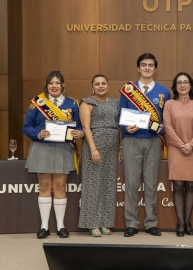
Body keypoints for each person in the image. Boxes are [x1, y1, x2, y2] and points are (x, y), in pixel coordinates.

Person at [23, 70, 84, 239]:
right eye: (51, 83)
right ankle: (43, 227)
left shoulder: (73, 104)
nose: (54, 86)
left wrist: (80, 134)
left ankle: (60, 226)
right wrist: (38, 133)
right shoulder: (37, 103)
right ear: (47, 86)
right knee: (44, 187)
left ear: (63, 85)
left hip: (63, 149)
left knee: (59, 187)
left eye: (57, 83)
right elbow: (26, 127)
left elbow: (79, 127)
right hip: (42, 148)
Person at [119, 53, 171, 237]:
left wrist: (163, 128)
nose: (147, 68)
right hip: (132, 140)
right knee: (132, 183)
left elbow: (167, 119)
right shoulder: (128, 90)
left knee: (151, 183)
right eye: (144, 65)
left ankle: (151, 222)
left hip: (153, 141)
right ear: (138, 68)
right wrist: (126, 128)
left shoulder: (164, 92)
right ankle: (131, 223)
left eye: (150, 65)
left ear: (155, 69)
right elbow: (120, 116)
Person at [78, 74, 122, 237]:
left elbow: (119, 126)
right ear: (92, 87)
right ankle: (92, 224)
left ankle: (105, 222)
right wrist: (93, 149)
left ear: (108, 86)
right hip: (94, 146)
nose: (101, 86)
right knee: (93, 185)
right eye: (97, 84)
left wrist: (120, 147)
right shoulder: (87, 102)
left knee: (108, 186)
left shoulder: (115, 103)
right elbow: (86, 127)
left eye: (104, 83)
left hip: (112, 147)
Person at [163, 72, 193, 237]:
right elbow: (167, 127)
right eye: (179, 82)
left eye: (186, 82)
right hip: (176, 149)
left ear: (191, 85)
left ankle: (188, 222)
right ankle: (180, 223)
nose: (183, 85)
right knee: (178, 185)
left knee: (191, 185)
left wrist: (191, 144)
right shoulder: (169, 104)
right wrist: (181, 145)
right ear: (175, 86)